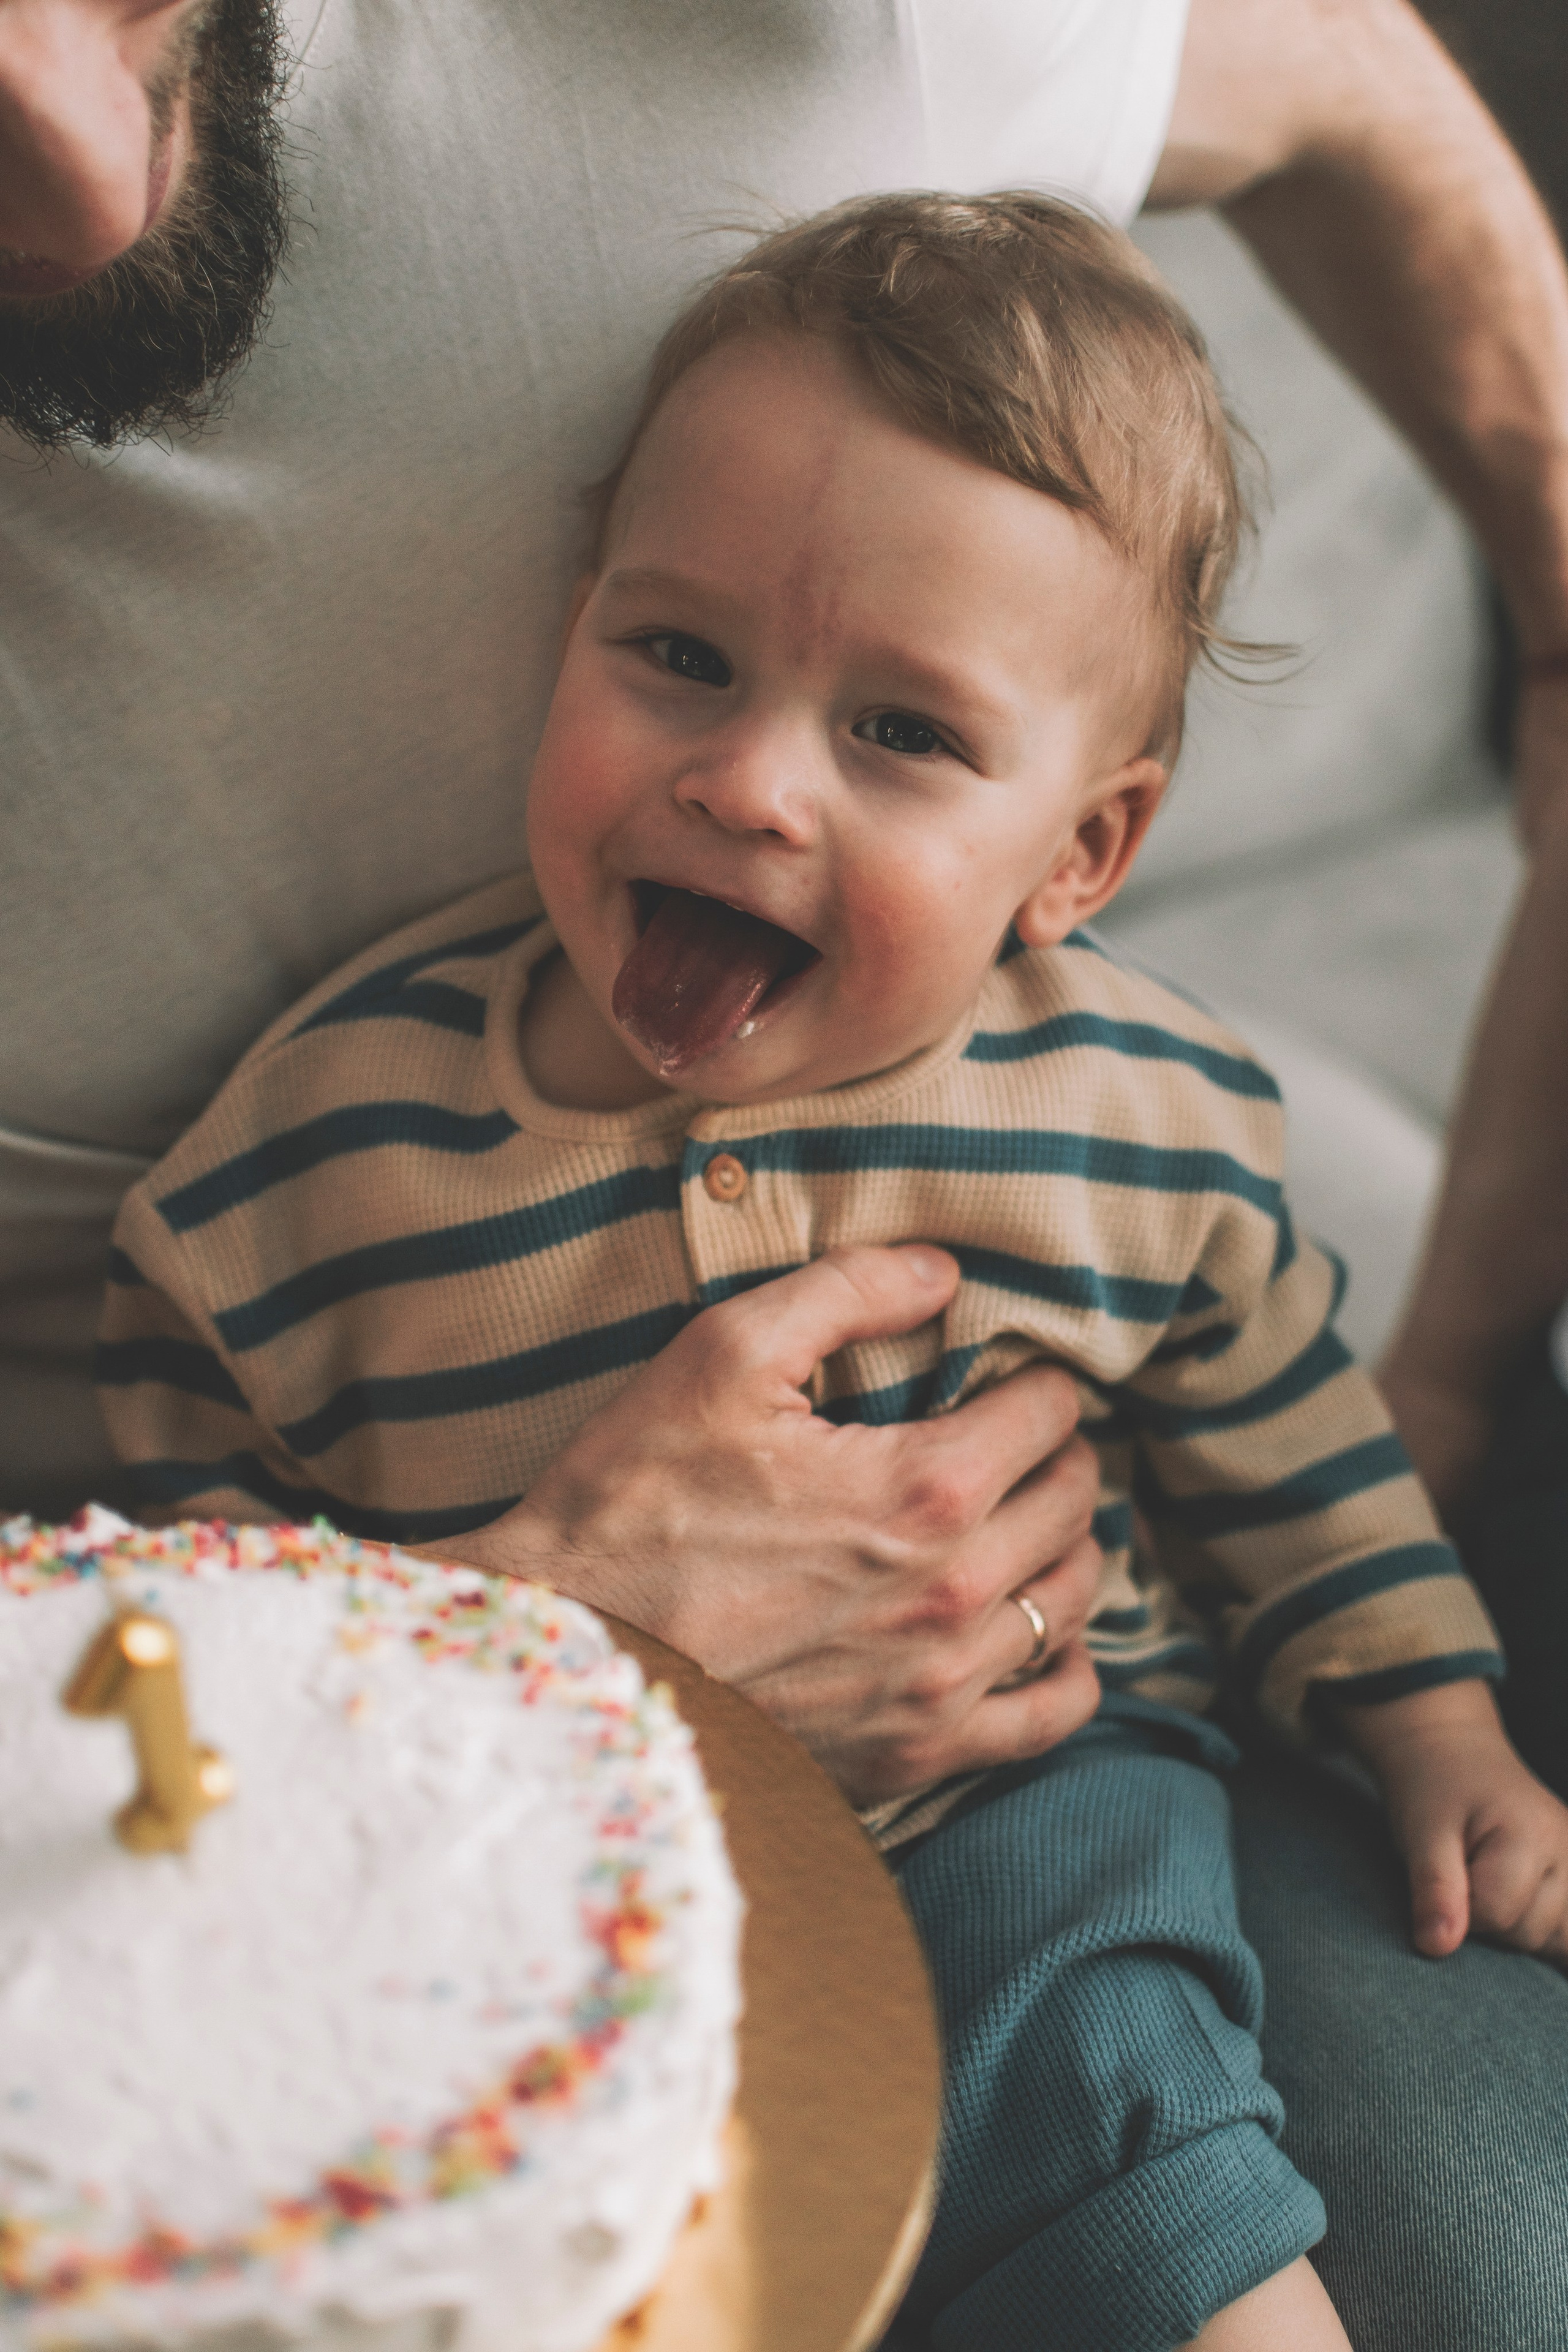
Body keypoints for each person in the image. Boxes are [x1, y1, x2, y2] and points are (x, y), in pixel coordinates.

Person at [6, 2, 1568, 2342]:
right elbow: (199, 1581)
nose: (750, 785)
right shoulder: (288, 1177)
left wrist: (1427, 1711)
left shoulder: (1138, 1118)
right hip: (487, 1870)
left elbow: (1290, 1441)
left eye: (905, 736)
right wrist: (458, 1660)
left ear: (1085, 852)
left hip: (1037, 1792)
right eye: (674, 656)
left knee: (1142, 2105)